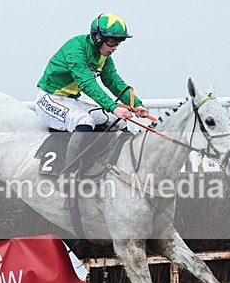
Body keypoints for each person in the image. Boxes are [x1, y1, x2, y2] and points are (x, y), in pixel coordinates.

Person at [35, 13, 149, 175]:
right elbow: (87, 83)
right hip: (49, 98)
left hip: (70, 101)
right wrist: (113, 107)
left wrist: (136, 104)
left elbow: (114, 82)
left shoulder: (104, 56)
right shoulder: (75, 49)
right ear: (97, 37)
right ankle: (69, 173)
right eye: (111, 42)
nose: (114, 47)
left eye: (118, 43)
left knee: (117, 120)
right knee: (84, 120)